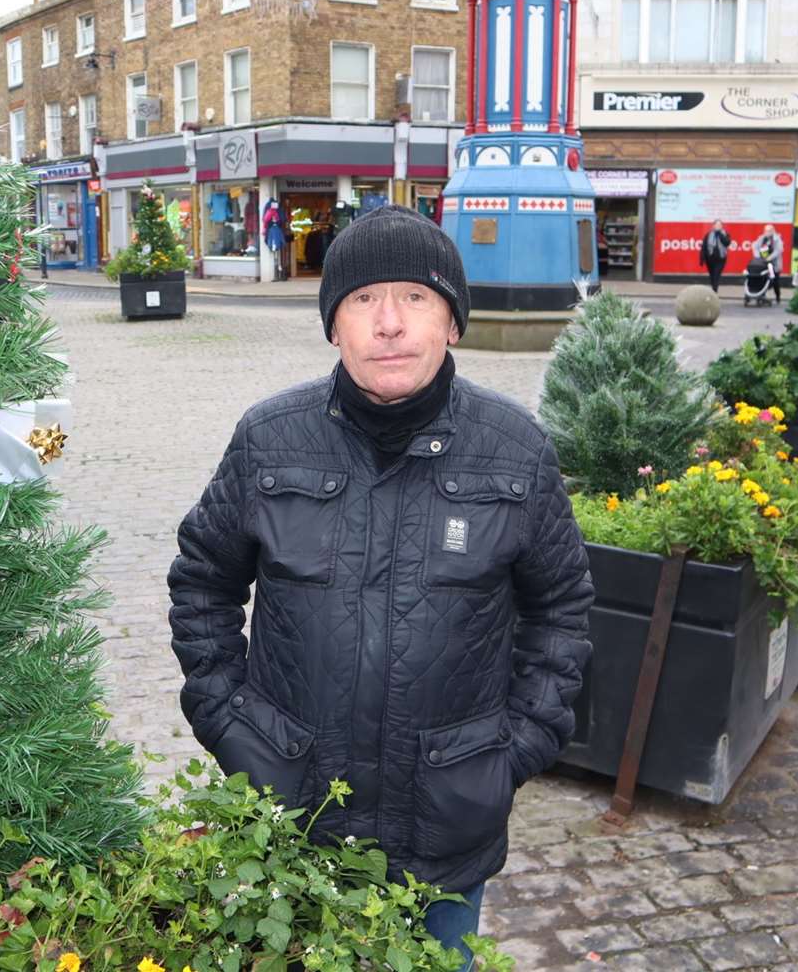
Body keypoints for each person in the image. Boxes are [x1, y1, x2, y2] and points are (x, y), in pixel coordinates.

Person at [167, 206, 593, 969]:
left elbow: (561, 611)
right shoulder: (271, 437)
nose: (389, 322)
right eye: (363, 300)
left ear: (453, 322)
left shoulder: (515, 450)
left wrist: (516, 748)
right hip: (290, 817)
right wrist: (230, 722)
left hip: (446, 827)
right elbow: (203, 577)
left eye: (416, 298)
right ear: (335, 325)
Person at [754, 223, 784, 303]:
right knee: (762, 279)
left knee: (774, 280)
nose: (768, 232)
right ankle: (762, 295)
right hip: (763, 263)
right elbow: (755, 247)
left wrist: (769, 258)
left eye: (770, 230)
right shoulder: (762, 238)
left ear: (773, 231)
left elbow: (778, 250)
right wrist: (758, 256)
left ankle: (778, 296)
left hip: (773, 264)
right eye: (766, 230)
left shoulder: (777, 239)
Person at [699, 219, 731, 292]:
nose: (718, 226)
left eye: (720, 225)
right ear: (713, 226)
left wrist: (720, 234)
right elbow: (704, 246)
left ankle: (714, 290)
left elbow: (727, 242)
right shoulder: (709, 234)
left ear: (722, 226)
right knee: (712, 275)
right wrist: (702, 258)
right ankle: (714, 288)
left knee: (716, 274)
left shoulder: (725, 234)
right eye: (716, 225)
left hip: (720, 259)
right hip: (710, 259)